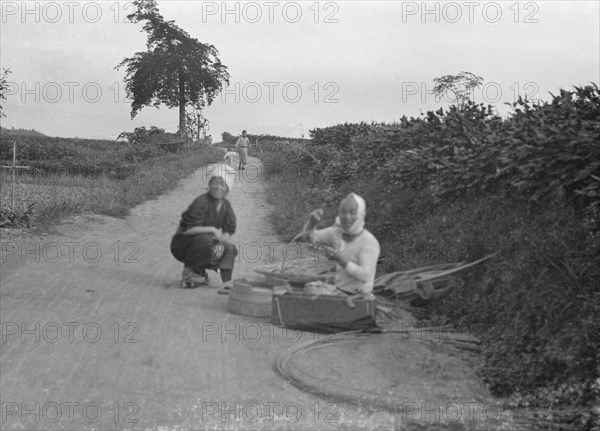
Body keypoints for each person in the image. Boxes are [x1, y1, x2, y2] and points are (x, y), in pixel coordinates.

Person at [302, 193, 380, 297]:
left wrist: (340, 259)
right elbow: (309, 238)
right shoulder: (336, 232)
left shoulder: (369, 242)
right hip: (339, 290)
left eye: (352, 213)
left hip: (358, 296)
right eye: (343, 212)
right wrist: (311, 223)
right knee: (309, 289)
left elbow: (365, 275)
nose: (347, 217)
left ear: (360, 214)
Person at [170, 175, 238, 289]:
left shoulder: (226, 205)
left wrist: (220, 243)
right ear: (209, 185)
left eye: (222, 184)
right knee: (205, 239)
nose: (217, 187)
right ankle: (189, 273)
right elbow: (187, 229)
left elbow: (229, 230)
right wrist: (211, 229)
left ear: (227, 188)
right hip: (183, 243)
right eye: (214, 183)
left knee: (229, 249)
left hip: (205, 242)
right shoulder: (201, 201)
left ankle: (226, 283)